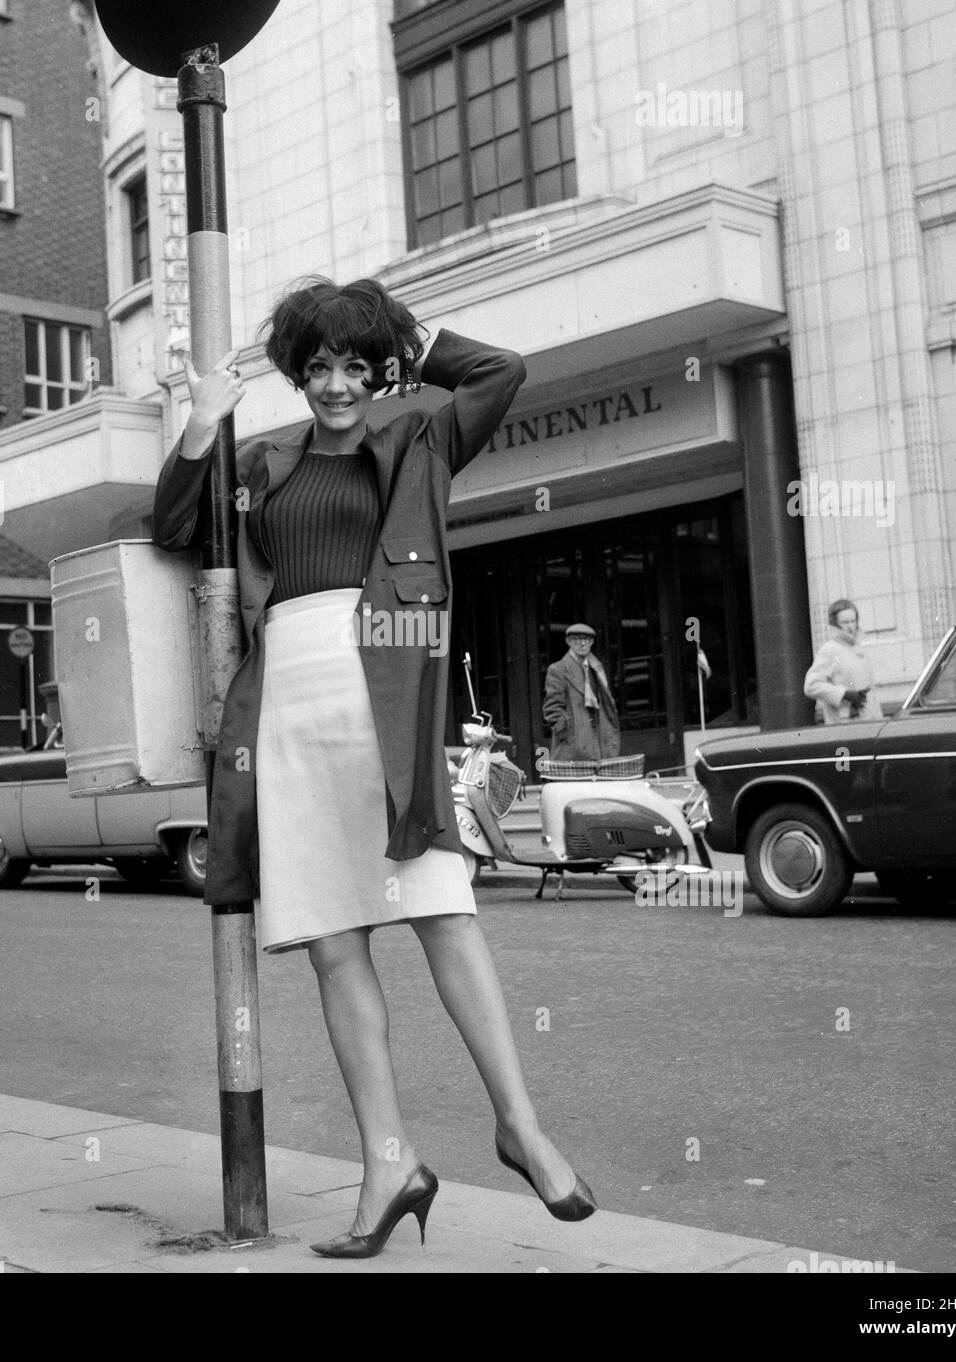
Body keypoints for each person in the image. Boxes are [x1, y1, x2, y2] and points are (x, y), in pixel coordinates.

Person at [151, 276, 595, 1259]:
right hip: (286, 709)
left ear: (380, 366)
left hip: (384, 696)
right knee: (333, 942)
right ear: (298, 373)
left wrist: (396, 324)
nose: (338, 384)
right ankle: (387, 1159)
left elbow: (499, 371)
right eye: (319, 366)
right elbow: (176, 525)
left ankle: (518, 1122)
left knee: (441, 905)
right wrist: (201, 420)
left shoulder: (420, 438)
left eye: (356, 364)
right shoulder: (263, 461)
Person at [542, 622, 621, 760]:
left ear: (592, 642)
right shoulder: (558, 669)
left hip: (599, 738)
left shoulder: (597, 668)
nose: (582, 644)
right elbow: (552, 708)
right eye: (577, 640)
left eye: (587, 640)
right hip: (574, 742)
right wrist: (566, 733)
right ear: (569, 642)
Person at [803, 598, 883, 723]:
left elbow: (871, 693)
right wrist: (845, 694)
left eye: (853, 621)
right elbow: (811, 686)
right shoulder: (829, 650)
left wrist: (879, 720)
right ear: (835, 624)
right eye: (845, 622)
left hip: (869, 722)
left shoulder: (859, 648)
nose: (850, 626)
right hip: (844, 724)